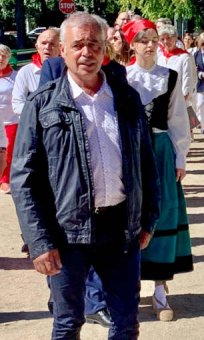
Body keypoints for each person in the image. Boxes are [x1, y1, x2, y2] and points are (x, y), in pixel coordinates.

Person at [11, 12, 159, 339]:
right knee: (67, 324)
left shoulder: (126, 99)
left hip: (120, 231)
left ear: (105, 49)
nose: (86, 53)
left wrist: (147, 218)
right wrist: (39, 243)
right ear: (62, 51)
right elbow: (23, 180)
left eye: (94, 44)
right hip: (66, 233)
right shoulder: (41, 105)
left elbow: (146, 164)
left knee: (126, 323)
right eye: (77, 45)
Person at [122, 18, 193, 322]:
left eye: (153, 39)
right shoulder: (121, 77)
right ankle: (128, 287)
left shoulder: (170, 76)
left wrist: (181, 157)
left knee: (162, 212)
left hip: (162, 150)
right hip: (131, 153)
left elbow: (178, 118)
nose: (150, 45)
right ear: (132, 45)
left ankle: (161, 289)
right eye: (143, 40)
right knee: (130, 215)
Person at [7, 28, 60, 194]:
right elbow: (17, 104)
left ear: (61, 47)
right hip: (35, 134)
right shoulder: (26, 72)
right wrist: (42, 115)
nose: (47, 47)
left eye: (52, 44)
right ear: (36, 46)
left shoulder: (69, 72)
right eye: (43, 43)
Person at [157, 24, 197, 132]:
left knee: (179, 134)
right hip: (161, 102)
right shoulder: (159, 57)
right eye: (162, 39)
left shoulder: (184, 57)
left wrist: (180, 103)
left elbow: (188, 82)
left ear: (175, 38)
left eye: (168, 38)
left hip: (179, 102)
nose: (165, 41)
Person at [0, 44, 13, 180]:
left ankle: (5, 179)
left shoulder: (16, 76)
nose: (1, 58)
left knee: (9, 153)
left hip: (10, 121)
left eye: (4, 55)